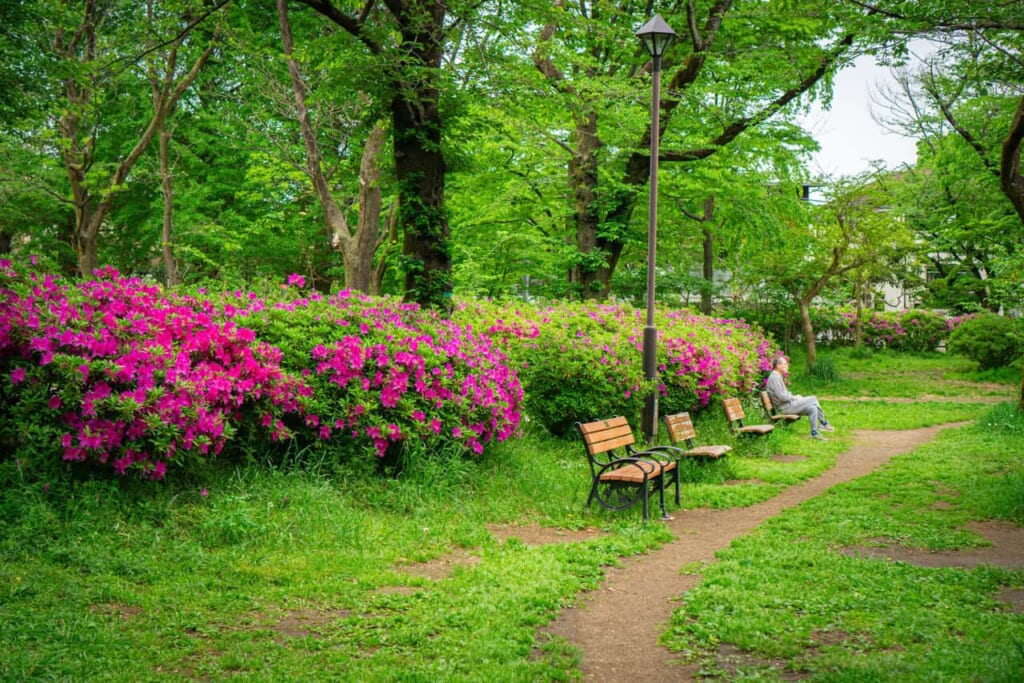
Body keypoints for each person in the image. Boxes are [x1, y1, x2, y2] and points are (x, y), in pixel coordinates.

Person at [765, 355, 835, 440]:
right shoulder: (775, 377)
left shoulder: (776, 376)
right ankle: (824, 423)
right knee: (813, 398)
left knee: (812, 408)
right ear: (778, 366)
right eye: (785, 364)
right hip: (785, 408)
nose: (787, 366)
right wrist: (795, 398)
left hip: (788, 405)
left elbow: (783, 395)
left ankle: (814, 433)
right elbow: (782, 397)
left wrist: (794, 397)